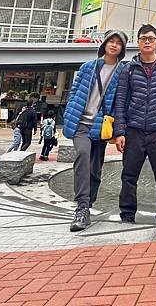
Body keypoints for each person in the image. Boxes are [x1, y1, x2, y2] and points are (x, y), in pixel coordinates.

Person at [114, 24, 156, 225]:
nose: (147, 42)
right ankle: (127, 215)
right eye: (143, 38)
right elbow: (121, 100)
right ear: (138, 42)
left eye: (151, 38)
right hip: (133, 131)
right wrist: (120, 131)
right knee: (128, 176)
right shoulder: (128, 69)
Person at [63, 29, 128, 232]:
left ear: (122, 49)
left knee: (95, 168)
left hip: (101, 126)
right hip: (81, 124)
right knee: (82, 154)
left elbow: (121, 103)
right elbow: (74, 91)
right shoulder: (88, 67)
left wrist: (119, 130)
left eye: (119, 43)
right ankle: (81, 207)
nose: (114, 45)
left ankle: (88, 204)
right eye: (111, 41)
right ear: (105, 44)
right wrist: (69, 110)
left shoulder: (123, 72)